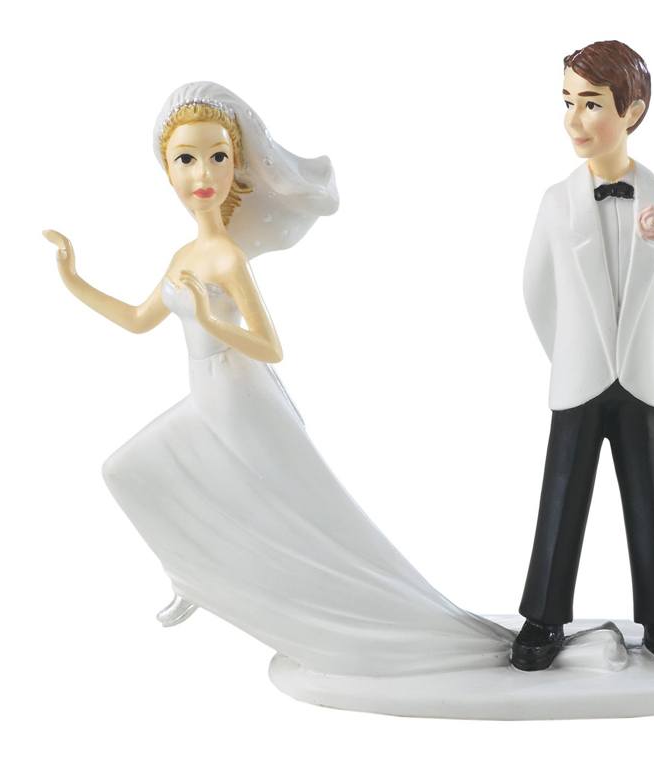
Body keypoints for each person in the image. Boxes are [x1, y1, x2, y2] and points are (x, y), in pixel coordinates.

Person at [44, 82, 518, 677]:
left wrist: (209, 318)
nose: (202, 174)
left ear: (236, 164)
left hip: (237, 395)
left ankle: (252, 593)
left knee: (293, 518)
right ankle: (195, 574)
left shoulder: (227, 259)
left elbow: (270, 346)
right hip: (206, 392)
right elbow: (139, 319)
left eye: (217, 156)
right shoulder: (186, 255)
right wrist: (73, 280)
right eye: (186, 159)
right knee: (126, 469)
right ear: (167, 170)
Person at [512, 42, 654, 671]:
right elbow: (537, 290)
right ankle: (542, 617)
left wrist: (637, 340)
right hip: (579, 374)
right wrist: (574, 350)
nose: (574, 119)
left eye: (591, 104)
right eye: (567, 101)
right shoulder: (555, 201)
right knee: (562, 496)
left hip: (641, 374)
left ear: (632, 111)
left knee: (651, 499)